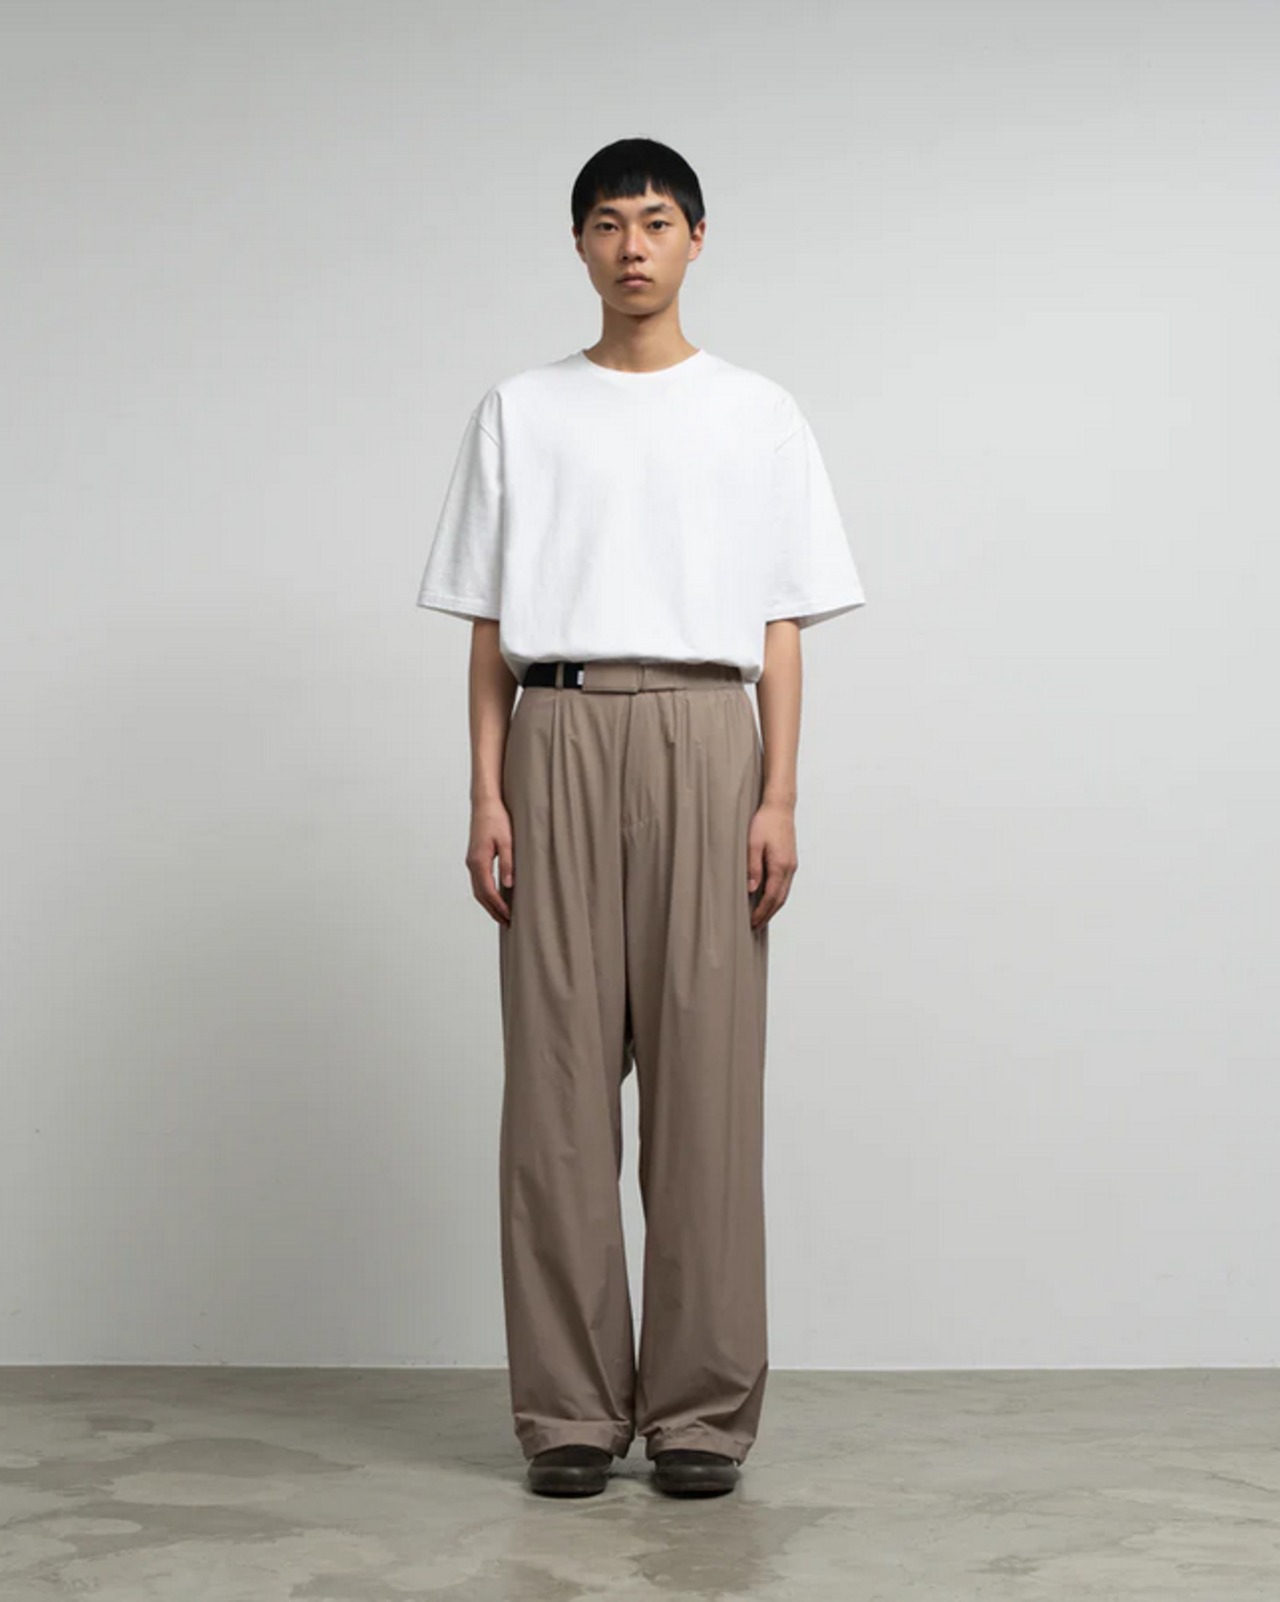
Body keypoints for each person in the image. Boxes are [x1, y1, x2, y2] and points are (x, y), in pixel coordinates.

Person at [416, 137, 866, 1499]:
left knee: (705, 1094)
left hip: (707, 734)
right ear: (579, 244)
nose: (632, 246)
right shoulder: (520, 410)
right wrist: (486, 791)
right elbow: (487, 628)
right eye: (608, 223)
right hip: (553, 729)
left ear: (696, 239)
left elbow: (781, 623)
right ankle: (566, 1410)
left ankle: (700, 1415)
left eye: (657, 221)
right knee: (555, 1093)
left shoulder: (758, 412)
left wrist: (778, 792)